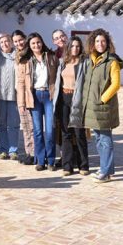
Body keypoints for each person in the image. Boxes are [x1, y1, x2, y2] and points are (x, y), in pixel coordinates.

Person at [77, 29, 122, 183]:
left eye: (103, 41)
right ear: (92, 43)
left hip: (103, 107)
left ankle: (106, 170)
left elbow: (116, 84)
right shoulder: (89, 60)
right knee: (99, 139)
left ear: (107, 43)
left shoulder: (112, 62)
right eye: (97, 41)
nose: (100, 44)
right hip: (91, 107)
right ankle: (106, 169)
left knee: (105, 139)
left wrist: (102, 99)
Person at [17, 32, 58, 171]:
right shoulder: (25, 61)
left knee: (50, 130)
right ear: (29, 45)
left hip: (48, 95)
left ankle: (51, 160)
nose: (36, 45)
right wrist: (21, 103)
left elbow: (58, 78)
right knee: (38, 131)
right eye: (33, 43)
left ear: (42, 42)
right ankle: (40, 160)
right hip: (34, 96)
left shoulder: (51, 57)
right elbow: (21, 83)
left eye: (38, 42)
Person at [56, 36, 90, 176]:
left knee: (79, 133)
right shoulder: (63, 62)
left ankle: (84, 165)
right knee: (66, 133)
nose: (75, 48)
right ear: (68, 48)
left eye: (77, 46)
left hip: (78, 100)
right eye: (73, 46)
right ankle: (67, 166)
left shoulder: (84, 63)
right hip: (64, 99)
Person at [0, 33, 20, 160]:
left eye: (7, 41)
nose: (5, 44)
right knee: (1, 124)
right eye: (2, 42)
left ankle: (13, 150)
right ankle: (2, 150)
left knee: (14, 124)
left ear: (11, 42)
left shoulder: (18, 56)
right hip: (0, 96)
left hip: (14, 96)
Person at [12, 29, 35, 165]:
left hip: (31, 94)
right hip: (20, 94)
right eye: (15, 41)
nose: (18, 43)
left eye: (20, 40)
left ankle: (35, 153)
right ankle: (29, 152)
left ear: (25, 39)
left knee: (33, 126)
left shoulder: (31, 54)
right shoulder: (17, 55)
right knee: (25, 125)